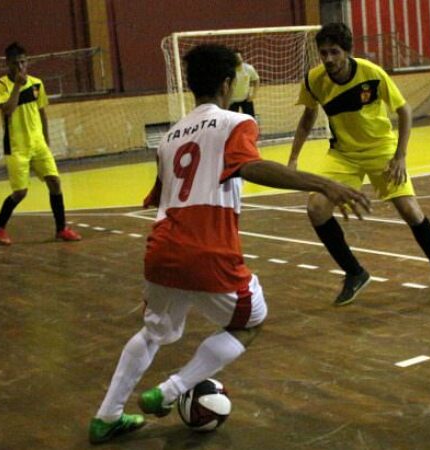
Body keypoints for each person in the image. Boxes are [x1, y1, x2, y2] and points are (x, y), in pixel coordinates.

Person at [87, 44, 370, 445]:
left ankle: (107, 417)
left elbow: (159, 196)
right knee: (249, 324)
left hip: (162, 249)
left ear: (190, 85)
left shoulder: (167, 138)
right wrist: (324, 183)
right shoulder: (237, 121)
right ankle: (168, 391)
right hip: (207, 250)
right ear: (226, 83)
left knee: (153, 333)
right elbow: (250, 166)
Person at [287, 23, 430, 307]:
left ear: (347, 52)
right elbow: (308, 117)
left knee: (410, 211)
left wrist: (400, 155)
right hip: (343, 155)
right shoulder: (314, 80)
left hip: (381, 149)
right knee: (316, 208)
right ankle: (354, 272)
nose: (328, 59)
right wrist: (294, 157)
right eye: (323, 53)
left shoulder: (371, 74)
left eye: (334, 52)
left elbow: (404, 110)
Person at [0, 42, 81, 245]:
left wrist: (46, 141)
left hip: (38, 143)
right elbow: (7, 109)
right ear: (8, 64)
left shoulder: (37, 84)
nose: (21, 66)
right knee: (20, 192)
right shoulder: (0, 85)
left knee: (55, 182)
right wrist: (17, 86)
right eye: (16, 63)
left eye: (24, 61)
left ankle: (61, 229)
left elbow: (42, 113)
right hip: (16, 146)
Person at [228, 50, 260, 117]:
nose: (238, 59)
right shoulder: (229, 70)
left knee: (251, 119)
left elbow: (256, 80)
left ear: (242, 58)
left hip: (246, 99)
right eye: (235, 58)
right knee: (232, 122)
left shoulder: (248, 68)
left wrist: (253, 94)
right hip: (232, 100)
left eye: (239, 57)